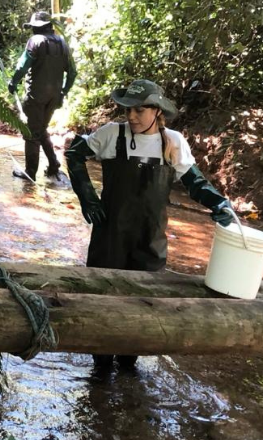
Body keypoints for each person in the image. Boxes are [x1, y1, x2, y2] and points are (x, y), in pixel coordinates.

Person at [65, 79, 234, 371]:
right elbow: (74, 154)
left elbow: (194, 182)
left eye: (140, 110)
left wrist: (219, 203)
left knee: (144, 302)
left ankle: (129, 363)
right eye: (128, 109)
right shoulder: (111, 135)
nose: (131, 116)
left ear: (157, 111)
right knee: (104, 299)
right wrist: (88, 198)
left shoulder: (173, 142)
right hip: (110, 236)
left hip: (150, 238)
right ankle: (101, 367)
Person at [8, 11, 77, 181]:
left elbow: (22, 66)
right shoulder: (63, 43)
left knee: (31, 134)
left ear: (38, 27)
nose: (31, 30)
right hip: (54, 97)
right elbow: (73, 73)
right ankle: (53, 165)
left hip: (35, 96)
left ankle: (30, 172)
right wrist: (63, 92)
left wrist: (13, 82)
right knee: (41, 130)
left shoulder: (35, 41)